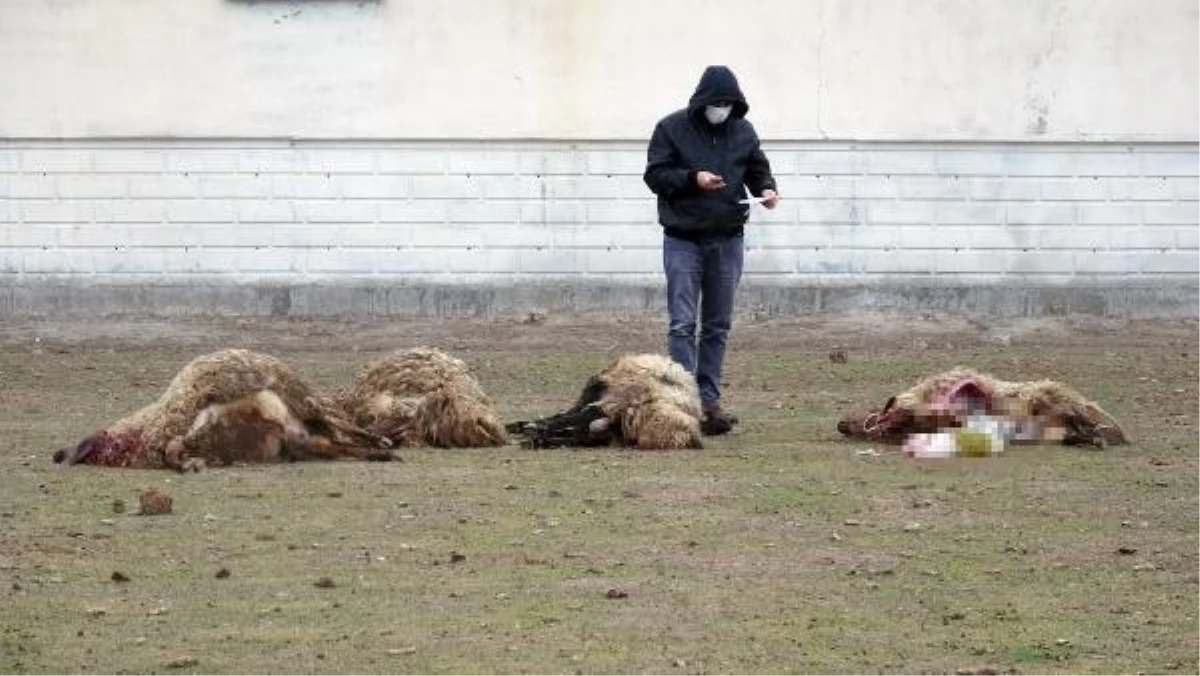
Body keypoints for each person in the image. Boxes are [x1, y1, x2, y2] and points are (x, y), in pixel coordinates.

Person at [643, 65, 779, 437]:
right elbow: (655, 175)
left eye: (729, 103)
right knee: (683, 323)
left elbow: (757, 169)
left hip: (728, 239)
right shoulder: (671, 129)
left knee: (717, 324)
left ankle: (710, 399)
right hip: (683, 239)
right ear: (702, 101)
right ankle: (683, 398)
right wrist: (693, 178)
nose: (722, 109)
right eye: (717, 103)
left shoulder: (743, 131)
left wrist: (766, 190)